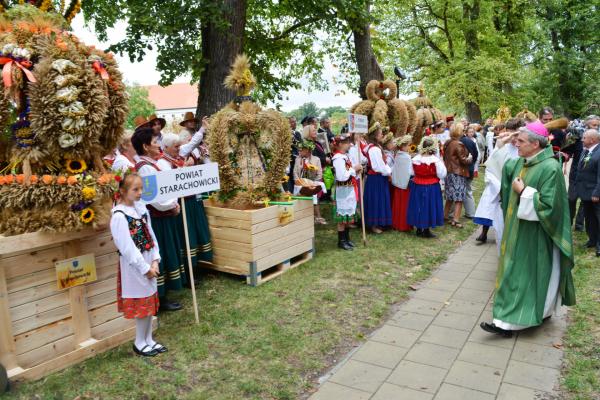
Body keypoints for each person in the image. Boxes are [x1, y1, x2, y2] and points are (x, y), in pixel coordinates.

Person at [480, 121, 576, 337]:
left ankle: (509, 323)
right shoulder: (522, 162)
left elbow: (551, 207)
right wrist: (500, 146)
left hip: (538, 234)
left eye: (521, 141)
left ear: (535, 144)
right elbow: (498, 168)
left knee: (528, 274)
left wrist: (524, 192)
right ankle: (516, 317)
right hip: (517, 231)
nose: (517, 144)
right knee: (518, 273)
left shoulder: (550, 168)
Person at [110, 173, 165, 357]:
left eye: (141, 188)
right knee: (142, 305)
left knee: (149, 301)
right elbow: (127, 248)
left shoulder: (140, 209)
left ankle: (148, 339)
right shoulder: (119, 216)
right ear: (123, 191)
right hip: (135, 267)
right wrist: (145, 268)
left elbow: (152, 235)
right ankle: (139, 342)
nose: (140, 192)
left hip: (149, 261)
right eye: (135, 189)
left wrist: (155, 259)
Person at [132, 128, 185, 312]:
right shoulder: (145, 167)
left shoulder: (149, 163)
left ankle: (163, 295)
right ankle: (160, 297)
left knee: (165, 252)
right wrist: (172, 205)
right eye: (155, 142)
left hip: (161, 215)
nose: (158, 145)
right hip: (157, 218)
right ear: (145, 147)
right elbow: (155, 197)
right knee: (160, 254)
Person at [159, 133, 213, 283]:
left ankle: (196, 267)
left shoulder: (177, 157)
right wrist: (184, 169)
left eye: (178, 146)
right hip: (179, 203)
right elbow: (170, 182)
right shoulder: (163, 162)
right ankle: (188, 274)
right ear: (166, 147)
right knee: (185, 237)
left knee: (193, 234)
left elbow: (191, 145)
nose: (179, 149)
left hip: (190, 200)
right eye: (176, 146)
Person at [473, 118, 523, 247]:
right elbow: (493, 162)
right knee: (489, 206)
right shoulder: (503, 144)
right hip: (497, 181)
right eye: (510, 133)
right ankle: (484, 232)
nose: (513, 138)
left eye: (515, 134)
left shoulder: (522, 147)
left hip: (513, 183)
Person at [407, 136, 446, 237]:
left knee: (418, 205)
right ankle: (426, 229)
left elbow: (410, 172)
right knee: (429, 206)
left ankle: (419, 228)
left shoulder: (415, 159)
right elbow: (442, 174)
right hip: (431, 186)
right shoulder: (436, 161)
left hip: (417, 185)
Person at [331, 134, 362, 250]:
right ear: (339, 145)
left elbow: (349, 172)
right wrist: (354, 169)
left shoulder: (344, 157)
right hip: (343, 189)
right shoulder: (338, 158)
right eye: (346, 142)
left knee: (348, 216)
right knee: (342, 218)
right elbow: (342, 176)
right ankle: (341, 241)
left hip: (349, 188)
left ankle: (347, 238)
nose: (349, 144)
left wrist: (356, 170)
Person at [362, 123, 392, 233]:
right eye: (380, 133)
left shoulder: (376, 147)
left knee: (380, 199)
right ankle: (374, 225)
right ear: (375, 136)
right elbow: (378, 166)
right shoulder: (374, 149)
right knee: (376, 200)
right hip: (376, 178)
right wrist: (388, 171)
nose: (382, 135)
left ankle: (380, 222)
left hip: (379, 177)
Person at [574, 129, 600, 256]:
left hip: (595, 193)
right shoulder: (585, 151)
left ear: (592, 140)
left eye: (584, 138)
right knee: (589, 219)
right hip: (585, 192)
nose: (582, 140)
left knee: (598, 218)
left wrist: (597, 192)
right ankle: (592, 240)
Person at [443, 123, 472, 228]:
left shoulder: (448, 142)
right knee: (459, 198)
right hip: (458, 173)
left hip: (449, 172)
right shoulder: (458, 144)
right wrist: (470, 158)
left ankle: (445, 216)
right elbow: (463, 160)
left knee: (450, 197)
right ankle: (455, 219)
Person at [293, 140, 327, 225]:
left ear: (307, 150)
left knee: (314, 196)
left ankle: (318, 216)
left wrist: (312, 182)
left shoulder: (316, 159)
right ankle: (301, 217)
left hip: (312, 183)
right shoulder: (298, 159)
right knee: (300, 198)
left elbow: (319, 174)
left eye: (301, 150)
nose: (299, 151)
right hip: (300, 183)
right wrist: (299, 182)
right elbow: (295, 172)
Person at [391, 135, 414, 232]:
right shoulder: (406, 157)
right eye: (409, 145)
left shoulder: (398, 155)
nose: (410, 147)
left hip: (398, 184)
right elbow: (411, 172)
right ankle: (403, 225)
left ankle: (396, 223)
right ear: (404, 146)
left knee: (397, 204)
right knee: (404, 205)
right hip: (405, 185)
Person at [461, 125, 479, 218]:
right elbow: (476, 154)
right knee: (468, 191)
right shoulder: (470, 141)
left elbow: (475, 154)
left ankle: (470, 213)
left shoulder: (461, 141)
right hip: (470, 168)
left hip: (464, 169)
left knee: (466, 190)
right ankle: (470, 212)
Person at [288, 116, 303, 192]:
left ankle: (298, 191)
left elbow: (300, 145)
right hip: (290, 158)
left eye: (295, 121)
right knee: (291, 176)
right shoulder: (286, 134)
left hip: (298, 157)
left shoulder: (297, 133)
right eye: (292, 122)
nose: (295, 123)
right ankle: (291, 191)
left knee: (297, 175)